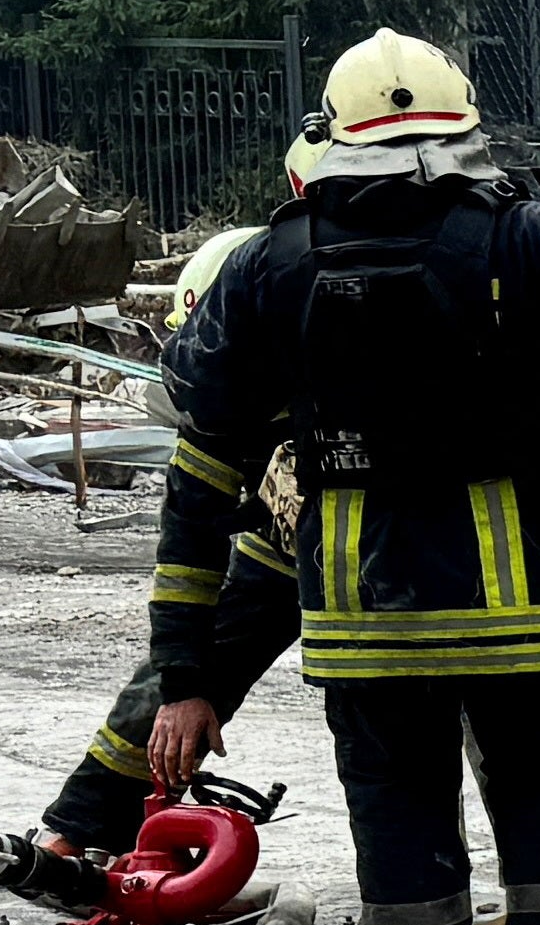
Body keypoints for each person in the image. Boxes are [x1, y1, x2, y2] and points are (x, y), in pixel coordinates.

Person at [145, 32, 540, 925]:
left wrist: (186, 670)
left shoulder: (272, 262)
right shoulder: (523, 235)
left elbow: (199, 465)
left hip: (366, 619)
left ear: (333, 132)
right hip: (530, 607)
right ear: (465, 126)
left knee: (397, 809)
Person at [30, 127, 329, 860]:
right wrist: (184, 686)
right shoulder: (261, 312)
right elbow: (189, 541)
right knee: (183, 673)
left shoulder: (294, 309)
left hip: (395, 550)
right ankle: (79, 828)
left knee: (420, 722)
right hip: (293, 541)